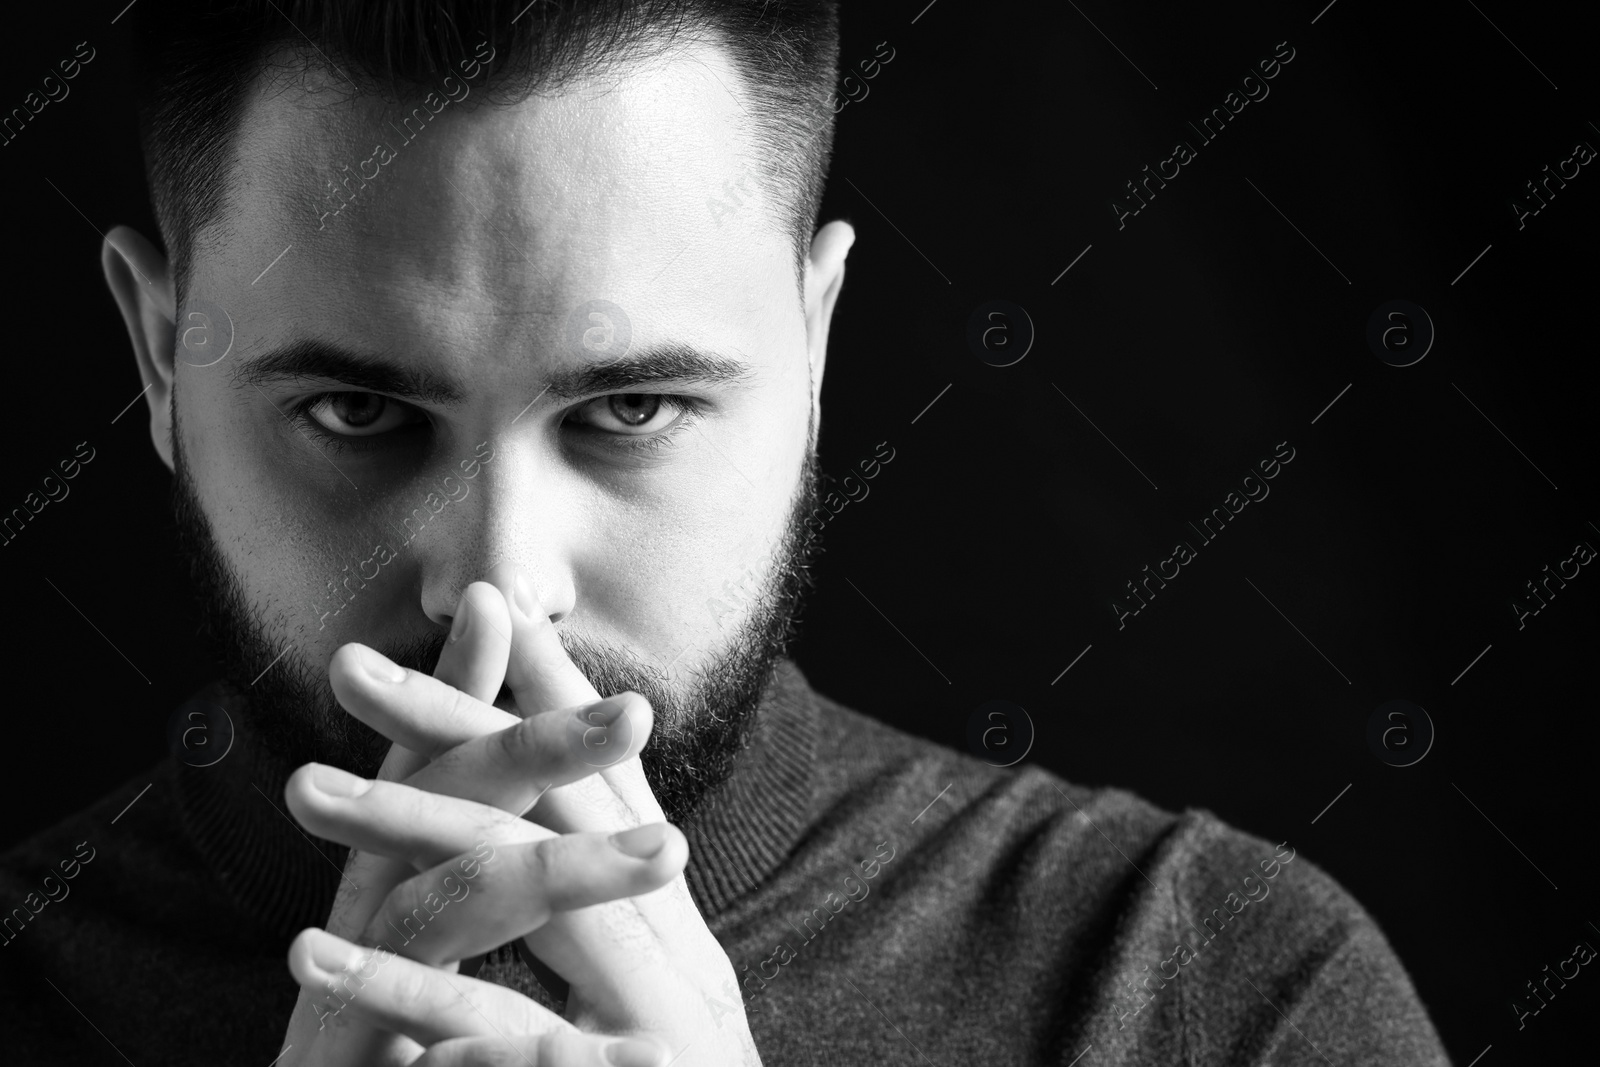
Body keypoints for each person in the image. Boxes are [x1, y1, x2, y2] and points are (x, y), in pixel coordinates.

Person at [0, 2, 1452, 1063]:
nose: (499, 584)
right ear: (157, 358)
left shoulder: (1211, 994)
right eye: (355, 415)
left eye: (629, 411)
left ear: (812, 358)